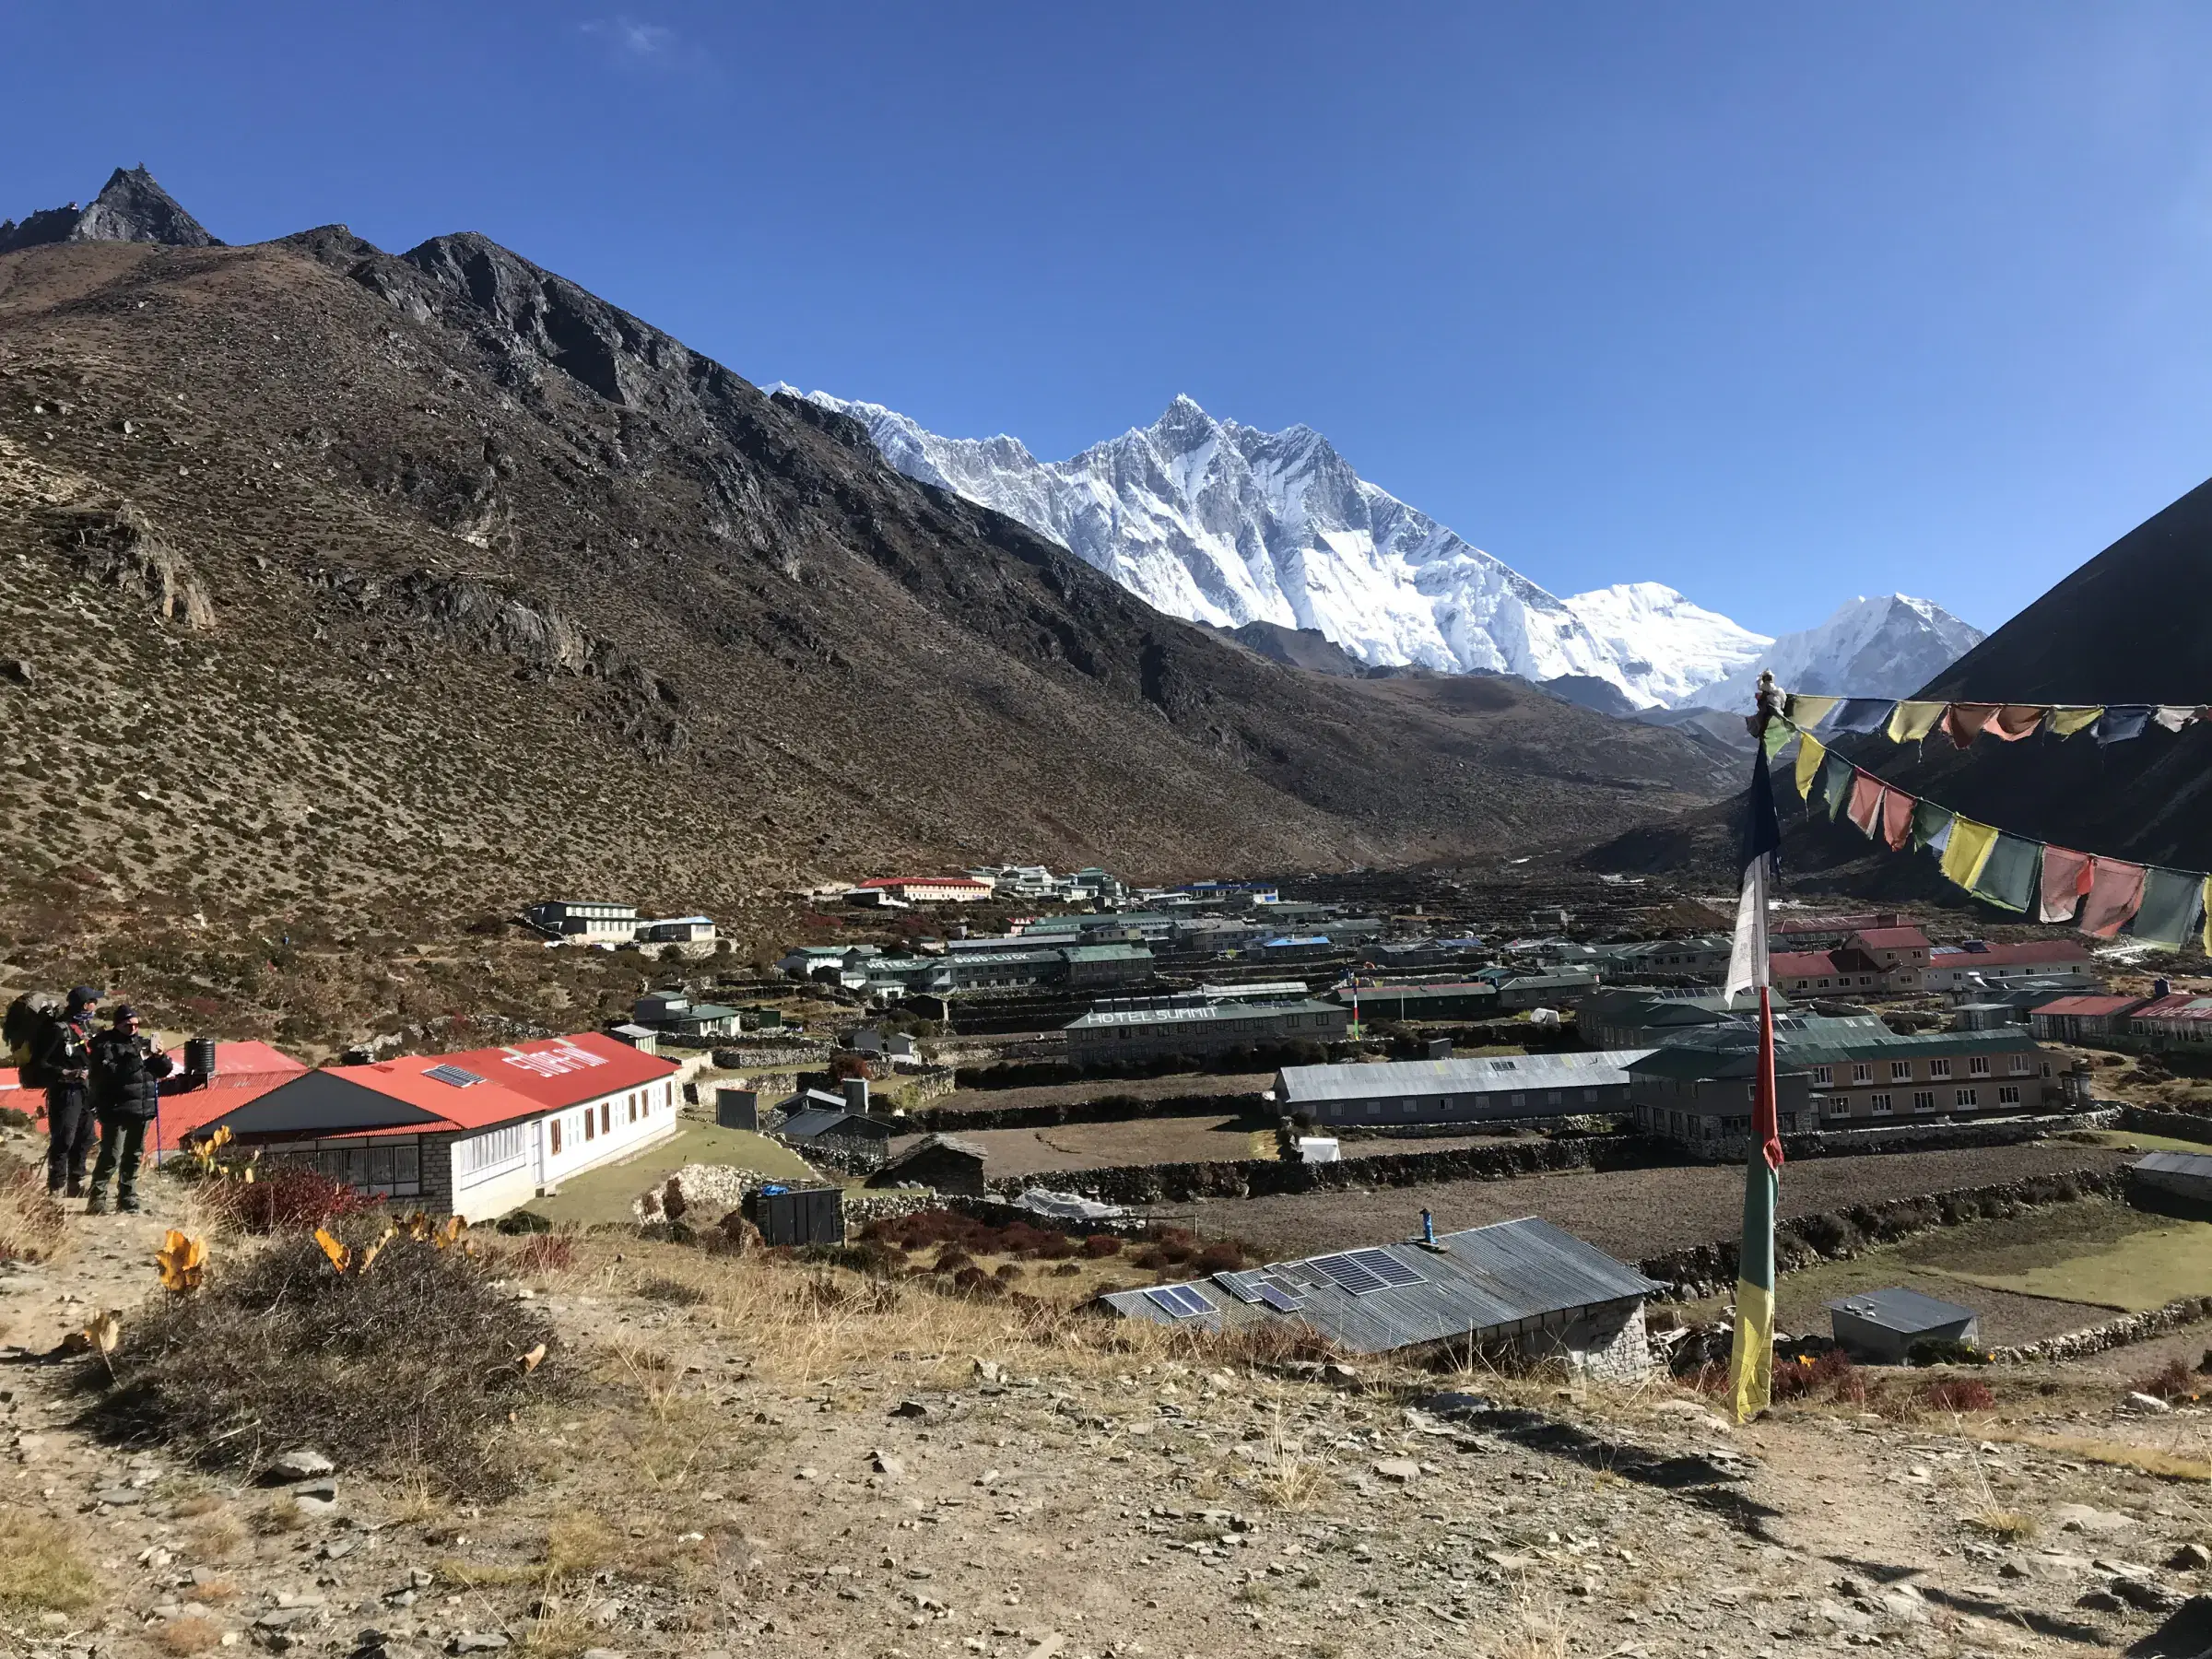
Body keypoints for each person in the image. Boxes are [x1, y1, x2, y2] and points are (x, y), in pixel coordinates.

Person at [87, 1005, 172, 1215]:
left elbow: (164, 1070)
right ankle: (97, 1198)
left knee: (134, 1155)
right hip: (116, 1109)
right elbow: (112, 1073)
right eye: (128, 1024)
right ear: (118, 1024)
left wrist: (159, 1057)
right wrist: (139, 1058)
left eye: (136, 1024)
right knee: (111, 1155)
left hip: (142, 1108)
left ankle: (127, 1196)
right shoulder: (104, 1045)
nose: (134, 1028)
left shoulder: (141, 1044)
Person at [33, 986, 99, 1197]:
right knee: (64, 1139)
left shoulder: (85, 1026)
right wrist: (66, 1073)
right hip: (64, 1092)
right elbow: (40, 1063)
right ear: (84, 1004)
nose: (96, 1006)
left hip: (85, 1091)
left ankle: (75, 1184)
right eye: (93, 1002)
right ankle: (56, 1186)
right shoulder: (58, 1030)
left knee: (86, 1137)